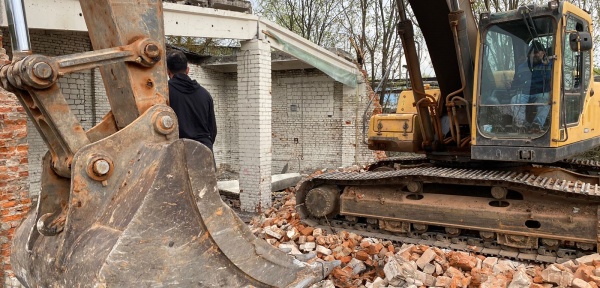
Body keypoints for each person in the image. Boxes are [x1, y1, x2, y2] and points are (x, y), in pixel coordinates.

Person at [166, 50, 218, 152]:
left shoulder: (164, 93)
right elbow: (213, 130)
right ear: (188, 70)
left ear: (168, 71)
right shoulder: (205, 94)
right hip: (204, 150)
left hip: (178, 151)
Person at [510, 40, 552, 131]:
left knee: (545, 99)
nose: (533, 55)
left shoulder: (550, 65)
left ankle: (537, 124)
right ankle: (522, 124)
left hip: (542, 92)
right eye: (531, 53)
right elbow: (516, 82)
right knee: (515, 99)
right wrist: (511, 88)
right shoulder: (521, 67)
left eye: (536, 52)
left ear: (543, 53)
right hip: (525, 94)